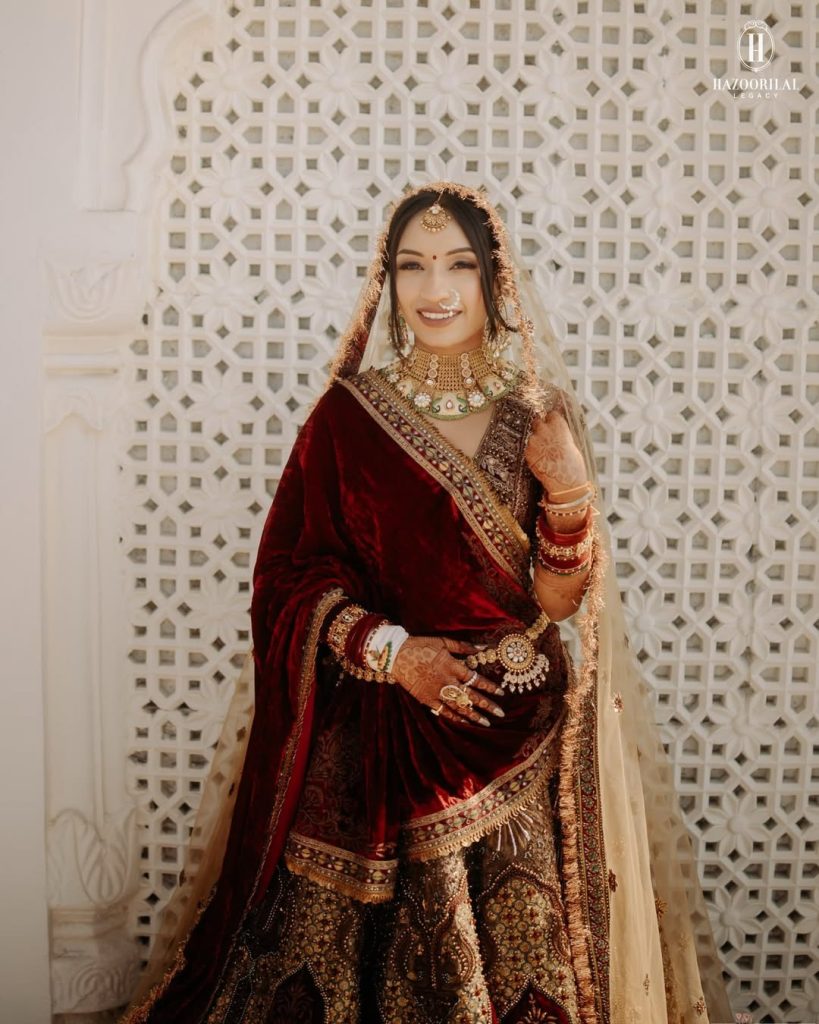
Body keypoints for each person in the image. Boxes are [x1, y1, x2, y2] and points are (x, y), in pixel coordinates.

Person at [120, 182, 731, 1023]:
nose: (434, 288)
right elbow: (286, 578)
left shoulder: (537, 413)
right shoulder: (347, 418)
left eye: (457, 266)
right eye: (411, 266)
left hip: (511, 735)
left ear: (493, 281)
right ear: (386, 282)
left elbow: (557, 600)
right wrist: (392, 653)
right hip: (371, 741)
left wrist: (569, 491)